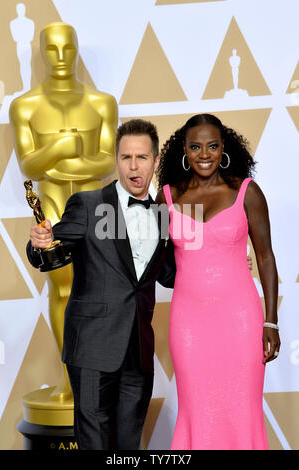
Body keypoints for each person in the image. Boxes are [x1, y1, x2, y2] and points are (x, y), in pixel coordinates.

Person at [26, 119, 176, 450]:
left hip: (138, 349)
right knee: (94, 444)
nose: (134, 166)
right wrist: (39, 245)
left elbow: (169, 275)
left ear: (155, 161)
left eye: (142, 157)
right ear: (117, 161)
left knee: (129, 446)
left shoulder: (163, 213)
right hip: (93, 347)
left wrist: (222, 261)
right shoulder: (88, 204)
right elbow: (53, 252)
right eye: (126, 157)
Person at [156, 113, 280, 450]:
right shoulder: (167, 197)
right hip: (189, 323)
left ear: (224, 146)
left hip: (241, 321)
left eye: (212, 145)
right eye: (196, 146)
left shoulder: (246, 192)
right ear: (184, 149)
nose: (205, 154)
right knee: (197, 409)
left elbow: (266, 258)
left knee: (243, 410)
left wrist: (271, 321)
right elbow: (151, 257)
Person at [10, 22, 118, 401]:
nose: (59, 58)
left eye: (66, 49)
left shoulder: (101, 103)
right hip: (53, 208)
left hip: (97, 207)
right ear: (40, 52)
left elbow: (106, 163)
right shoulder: (24, 106)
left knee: (106, 291)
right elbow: (29, 165)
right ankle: (72, 378)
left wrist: (55, 162)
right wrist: (64, 146)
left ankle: (99, 376)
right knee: (64, 289)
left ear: (76, 51)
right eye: (51, 49)